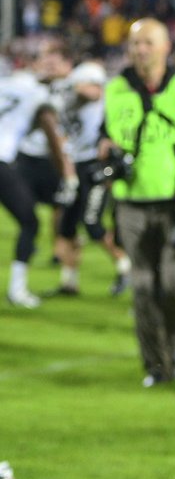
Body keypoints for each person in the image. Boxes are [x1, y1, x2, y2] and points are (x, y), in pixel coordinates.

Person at [100, 18, 175, 387]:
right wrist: (105, 148)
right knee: (144, 288)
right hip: (130, 202)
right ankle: (158, 366)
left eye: (148, 42)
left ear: (167, 48)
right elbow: (107, 135)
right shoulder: (115, 89)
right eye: (135, 44)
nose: (141, 50)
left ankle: (173, 343)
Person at [52, 60, 132, 297]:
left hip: (96, 166)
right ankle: (68, 282)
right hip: (75, 165)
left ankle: (125, 266)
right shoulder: (69, 103)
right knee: (66, 227)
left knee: (92, 223)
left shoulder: (103, 103)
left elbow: (98, 95)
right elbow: (62, 138)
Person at [1, 62, 77, 308]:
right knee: (30, 222)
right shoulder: (37, 95)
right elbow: (51, 134)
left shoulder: (6, 84)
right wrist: (65, 173)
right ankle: (17, 289)